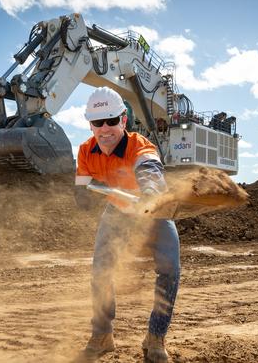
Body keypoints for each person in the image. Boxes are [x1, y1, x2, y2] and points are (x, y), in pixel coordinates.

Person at [74, 87, 180, 362]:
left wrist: (149, 191)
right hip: (118, 210)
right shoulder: (86, 151)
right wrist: (84, 193)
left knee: (169, 269)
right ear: (91, 125)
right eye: (99, 122)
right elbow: (82, 190)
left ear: (123, 120)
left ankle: (155, 338)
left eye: (112, 120)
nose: (105, 128)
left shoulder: (139, 145)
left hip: (152, 210)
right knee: (100, 271)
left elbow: (150, 169)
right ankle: (103, 335)